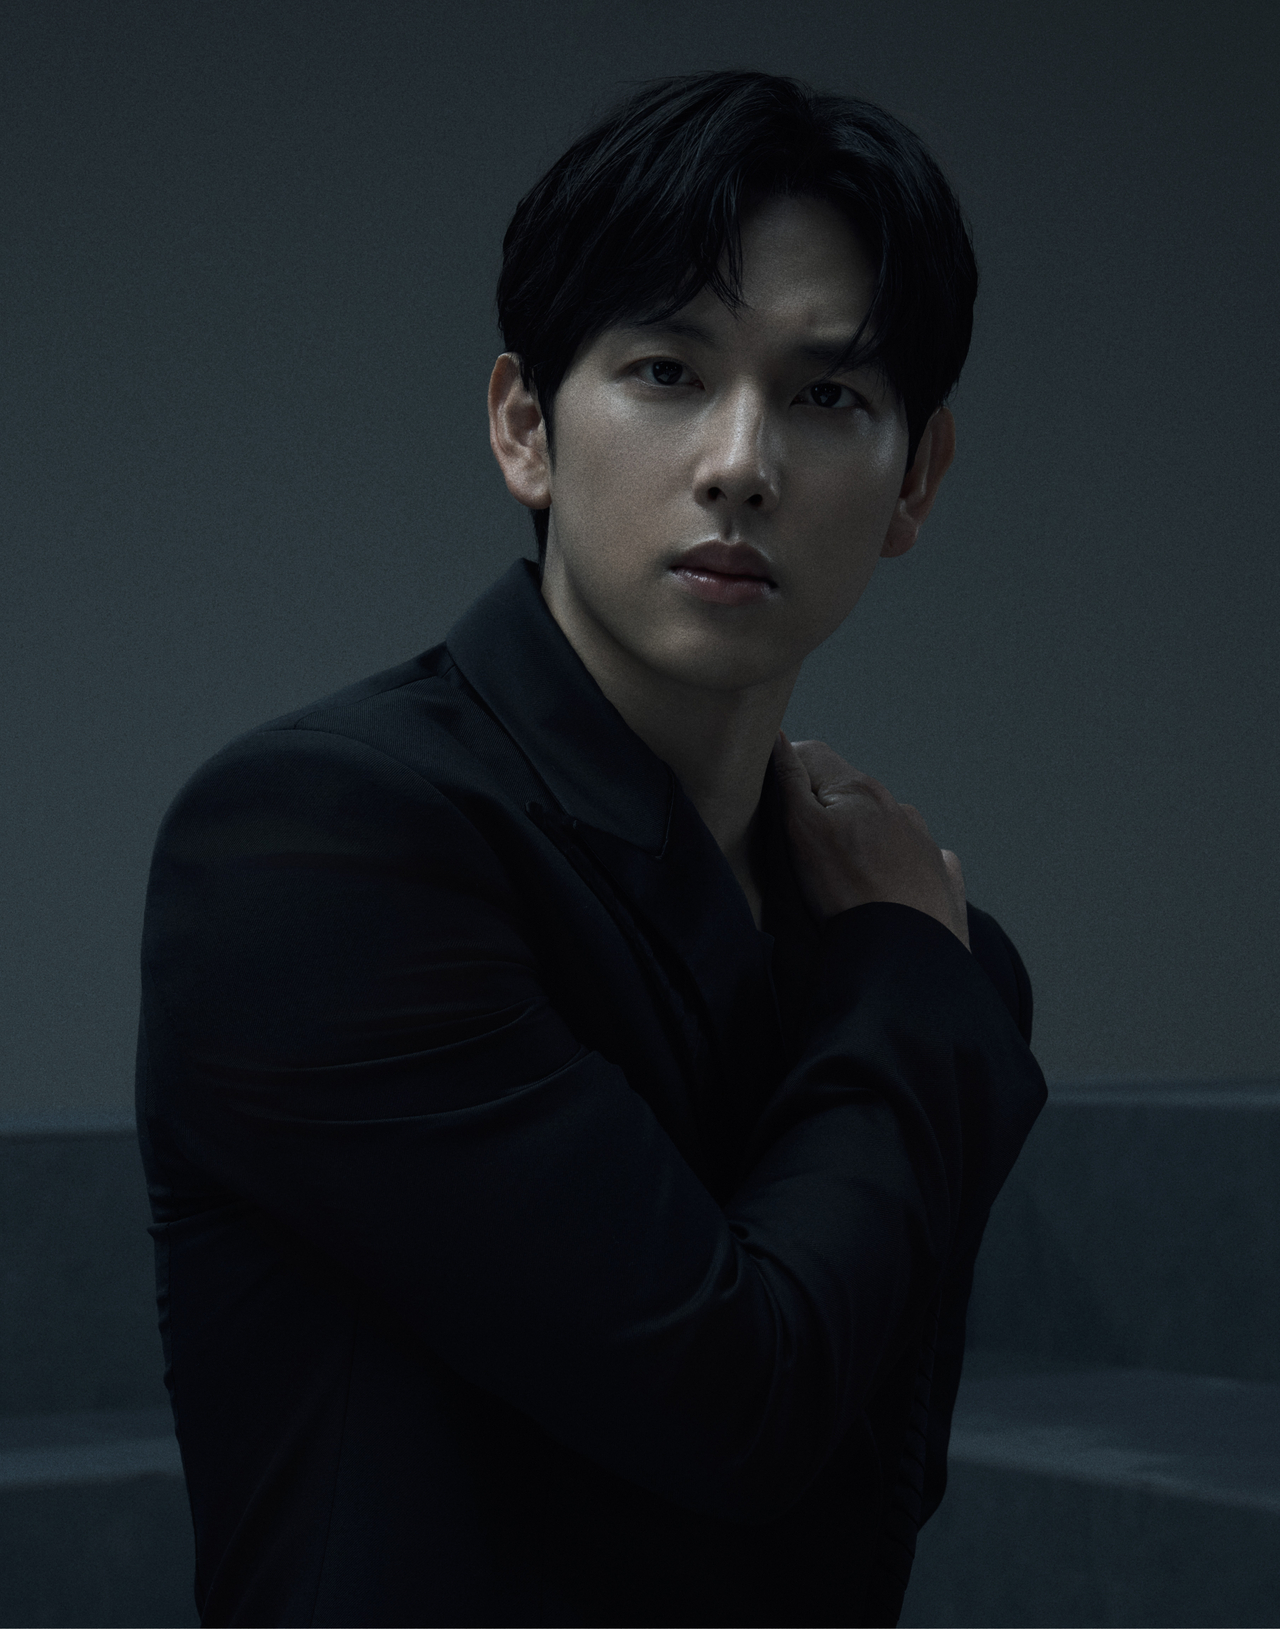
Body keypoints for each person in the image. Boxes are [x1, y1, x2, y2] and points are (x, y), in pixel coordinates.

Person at [137, 70, 1046, 1628]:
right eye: (667, 371)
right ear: (525, 427)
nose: (742, 461)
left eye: (827, 396)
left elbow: (867, 1511)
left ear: (916, 480)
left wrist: (912, 973)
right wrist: (909, 980)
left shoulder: (931, 963)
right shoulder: (314, 844)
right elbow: (739, 1402)